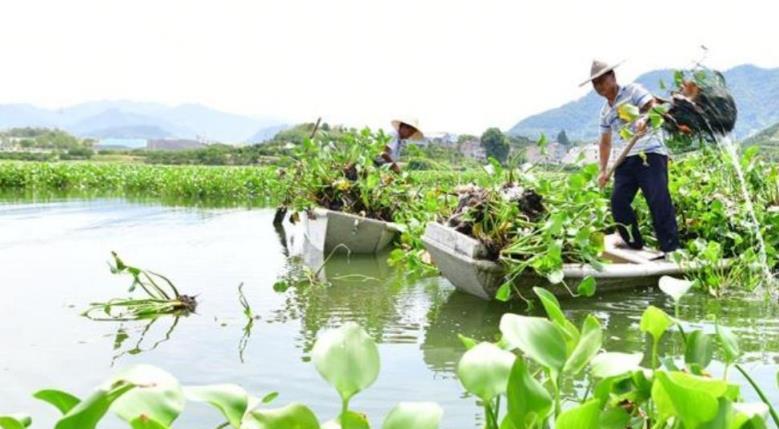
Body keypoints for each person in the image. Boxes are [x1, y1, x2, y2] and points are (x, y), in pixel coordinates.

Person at [582, 59, 680, 253]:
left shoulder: (633, 91)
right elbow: (605, 142)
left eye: (602, 80)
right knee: (618, 201)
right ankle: (633, 243)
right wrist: (602, 170)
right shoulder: (605, 112)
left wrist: (644, 118)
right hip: (626, 159)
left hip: (650, 152)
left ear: (613, 76)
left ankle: (671, 249)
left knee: (658, 199)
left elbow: (653, 106)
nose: (599, 86)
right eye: (595, 84)